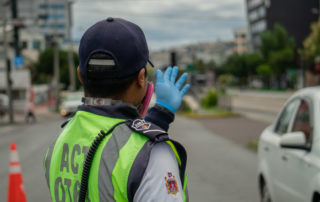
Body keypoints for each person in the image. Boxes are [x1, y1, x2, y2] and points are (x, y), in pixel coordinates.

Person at [44, 17, 190, 202]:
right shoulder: (154, 158)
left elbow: (112, 155)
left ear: (80, 75)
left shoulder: (58, 143)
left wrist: (159, 117)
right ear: (141, 77)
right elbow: (125, 154)